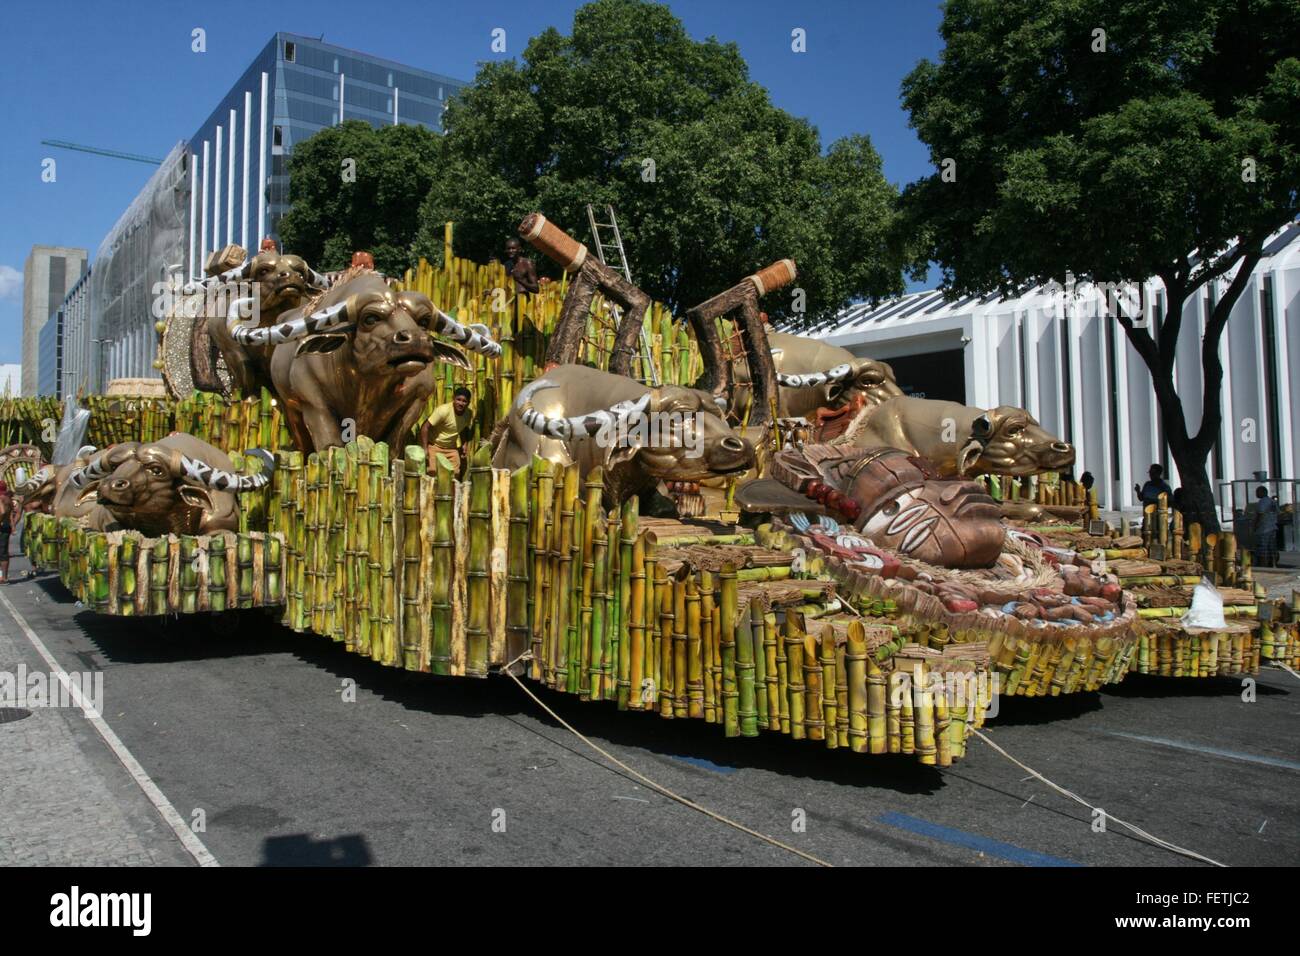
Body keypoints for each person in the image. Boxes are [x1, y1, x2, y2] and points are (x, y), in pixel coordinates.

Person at [419, 387, 475, 477]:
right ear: (453, 398)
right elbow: (425, 427)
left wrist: (464, 444)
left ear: (468, 403)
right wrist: (425, 448)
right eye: (458, 399)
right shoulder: (443, 411)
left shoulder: (468, 414)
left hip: (451, 448)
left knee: (455, 474)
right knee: (432, 473)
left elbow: (463, 428)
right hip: (434, 445)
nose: (461, 403)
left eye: (464, 401)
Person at [1253, 485, 1279, 568]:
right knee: (1272, 548)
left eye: (1257, 492)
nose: (1256, 494)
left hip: (1264, 529)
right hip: (1272, 528)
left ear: (1262, 492)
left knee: (1263, 548)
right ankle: (1274, 565)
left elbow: (1260, 514)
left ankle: (1263, 565)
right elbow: (1278, 513)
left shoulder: (1263, 502)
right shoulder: (1272, 501)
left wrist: (1255, 525)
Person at [0, 481, 12, 584]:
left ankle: (3, 578)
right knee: (4, 551)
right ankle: (4, 576)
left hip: (2, 525)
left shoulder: (0, 498)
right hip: (7, 525)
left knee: (2, 552)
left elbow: (2, 511)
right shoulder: (9, 499)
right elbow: (10, 512)